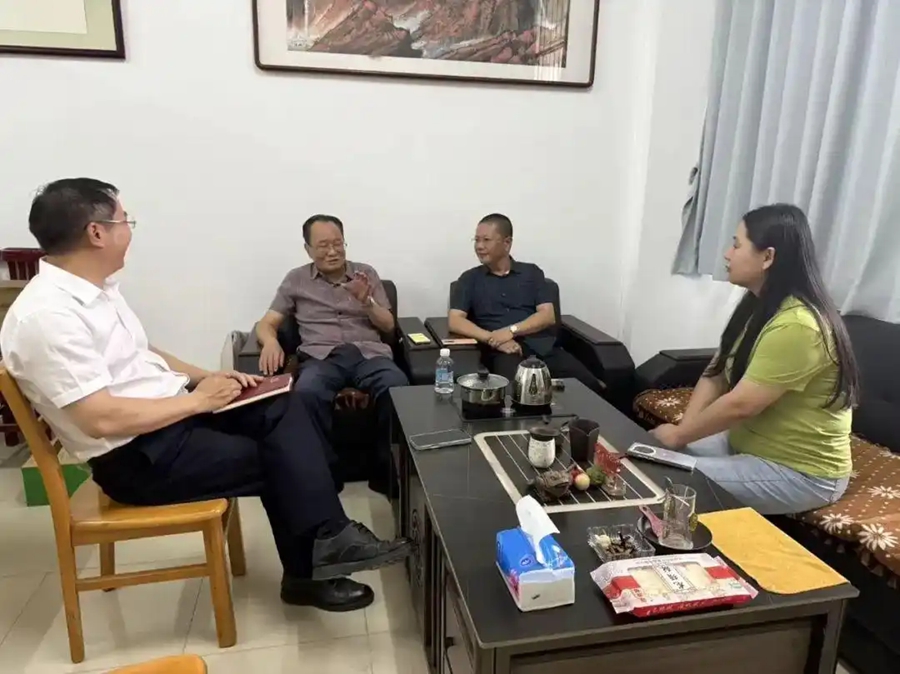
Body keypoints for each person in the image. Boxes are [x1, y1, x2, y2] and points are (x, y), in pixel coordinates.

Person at [0, 179, 410, 613]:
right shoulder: (48, 317)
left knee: (282, 405)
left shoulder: (98, 291)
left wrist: (210, 378)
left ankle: (328, 538)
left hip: (169, 418)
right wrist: (198, 401)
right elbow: (99, 419)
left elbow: (143, 354)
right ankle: (312, 567)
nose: (130, 230)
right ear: (96, 233)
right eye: (124, 221)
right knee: (283, 454)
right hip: (138, 456)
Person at [650, 204, 858, 515]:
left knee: (668, 481)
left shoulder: (799, 325)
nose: (727, 254)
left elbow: (742, 405)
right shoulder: (759, 305)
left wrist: (680, 435)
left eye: (736, 245)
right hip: (745, 443)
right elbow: (716, 372)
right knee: (649, 453)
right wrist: (684, 431)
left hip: (800, 472)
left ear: (768, 257)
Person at [255, 215, 408, 496]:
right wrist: (270, 342)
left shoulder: (366, 274)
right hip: (321, 357)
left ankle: (384, 470)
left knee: (396, 386)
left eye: (338, 243)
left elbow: (388, 325)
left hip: (368, 354)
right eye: (323, 245)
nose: (333, 251)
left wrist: (367, 302)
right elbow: (266, 323)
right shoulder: (296, 279)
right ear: (308, 249)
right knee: (306, 393)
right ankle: (326, 474)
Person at [447, 213, 605, 396]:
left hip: (543, 348)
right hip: (504, 352)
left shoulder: (532, 273)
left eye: (486, 240)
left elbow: (547, 315)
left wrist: (511, 330)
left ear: (507, 243)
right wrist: (493, 339)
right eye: (476, 240)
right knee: (515, 393)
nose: (479, 246)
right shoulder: (469, 279)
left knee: (590, 388)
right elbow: (455, 320)